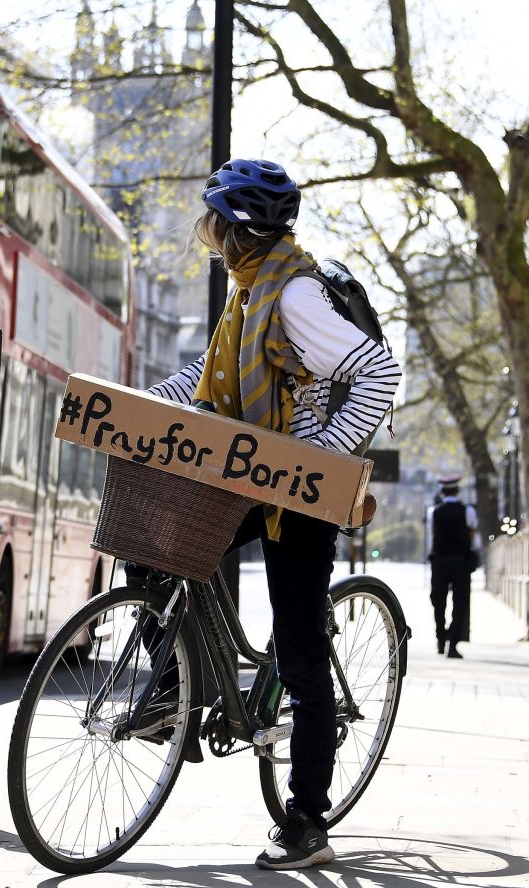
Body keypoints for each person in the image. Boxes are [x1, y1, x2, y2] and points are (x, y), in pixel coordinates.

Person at [144, 158, 401, 870]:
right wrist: (134, 404)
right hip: (252, 475)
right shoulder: (249, 292)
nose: (205, 233)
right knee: (158, 538)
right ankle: (172, 693)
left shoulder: (293, 298)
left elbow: (378, 371)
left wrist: (320, 452)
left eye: (211, 221)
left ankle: (308, 819)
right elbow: (205, 377)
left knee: (299, 646)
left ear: (234, 230)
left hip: (302, 495)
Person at [426, 475, 478, 659]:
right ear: (457, 491)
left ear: (442, 491)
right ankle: (453, 645)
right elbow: (472, 534)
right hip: (461, 562)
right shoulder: (468, 511)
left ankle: (440, 640)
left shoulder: (434, 511)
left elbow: (432, 536)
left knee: (438, 602)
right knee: (460, 604)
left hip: (439, 562)